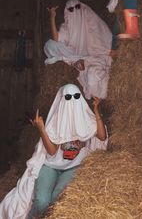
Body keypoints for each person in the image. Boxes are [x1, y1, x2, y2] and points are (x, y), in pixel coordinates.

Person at [0, 84, 108, 219]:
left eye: (76, 96)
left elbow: (102, 136)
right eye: (68, 97)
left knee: (58, 200)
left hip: (72, 168)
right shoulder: (55, 121)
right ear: (62, 99)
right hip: (50, 166)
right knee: (42, 201)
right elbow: (51, 152)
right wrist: (41, 129)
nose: (72, 100)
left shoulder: (86, 118)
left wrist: (96, 110)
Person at [44, 0, 114, 100]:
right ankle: (76, 60)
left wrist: (107, 52)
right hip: (74, 54)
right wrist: (52, 18)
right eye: (71, 9)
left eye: (77, 7)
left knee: (93, 75)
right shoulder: (67, 26)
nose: (75, 11)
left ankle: (78, 61)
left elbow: (105, 38)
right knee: (49, 45)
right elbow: (56, 39)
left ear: (82, 8)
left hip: (92, 56)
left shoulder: (91, 20)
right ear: (67, 12)